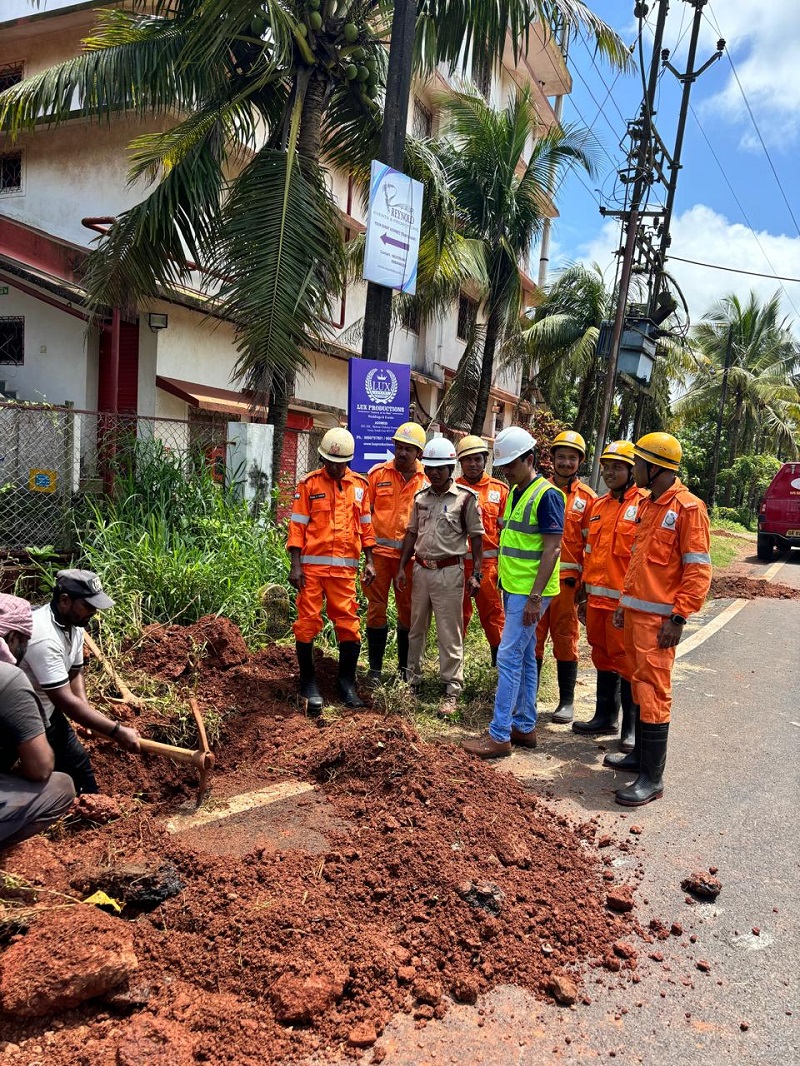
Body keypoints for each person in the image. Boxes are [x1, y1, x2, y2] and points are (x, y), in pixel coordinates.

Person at [611, 432, 712, 806]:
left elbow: (698, 570)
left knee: (653, 693)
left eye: (638, 463)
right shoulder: (650, 505)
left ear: (656, 468)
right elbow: (637, 562)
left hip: (659, 624)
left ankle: (652, 779)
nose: (633, 468)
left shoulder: (688, 509)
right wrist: (623, 603)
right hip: (637, 617)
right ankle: (639, 757)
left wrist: (679, 616)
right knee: (639, 685)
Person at [462, 427, 564, 758]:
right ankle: (524, 726)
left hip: (530, 592)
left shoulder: (546, 495)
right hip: (514, 586)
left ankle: (499, 735)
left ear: (530, 460)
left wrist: (535, 597)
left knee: (508, 656)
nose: (506, 471)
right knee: (523, 656)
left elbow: (552, 549)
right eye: (503, 466)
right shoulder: (518, 491)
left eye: (512, 465)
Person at [21, 571, 140, 795]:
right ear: (65, 600)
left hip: (45, 710)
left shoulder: (75, 624)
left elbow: (76, 672)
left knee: (79, 768)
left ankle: (92, 814)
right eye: (88, 605)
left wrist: (87, 711)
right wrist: (117, 731)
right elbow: (65, 700)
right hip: (20, 721)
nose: (94, 612)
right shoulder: (44, 636)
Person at [287, 427, 376, 715]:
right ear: (322, 458)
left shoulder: (359, 486)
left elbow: (366, 526)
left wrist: (371, 560)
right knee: (307, 622)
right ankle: (308, 682)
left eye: (341, 463)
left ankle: (346, 683)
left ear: (349, 461)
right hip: (312, 571)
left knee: (348, 624)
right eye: (330, 462)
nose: (336, 468)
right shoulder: (309, 484)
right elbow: (298, 526)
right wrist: (295, 565)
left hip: (344, 574)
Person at [396, 438, 484, 719]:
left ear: (450, 467)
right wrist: (401, 567)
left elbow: (476, 537)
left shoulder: (465, 499)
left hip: (450, 572)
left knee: (449, 632)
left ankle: (452, 689)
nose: (434, 473)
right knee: (416, 629)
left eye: (440, 468)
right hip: (421, 570)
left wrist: (477, 573)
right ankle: (412, 682)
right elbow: (411, 533)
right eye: (430, 468)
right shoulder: (420, 498)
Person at [576, 441, 646, 756]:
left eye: (617, 466)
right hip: (596, 600)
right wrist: (582, 590)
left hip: (623, 604)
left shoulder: (645, 504)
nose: (610, 472)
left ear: (632, 470)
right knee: (602, 656)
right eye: (607, 466)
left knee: (627, 663)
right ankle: (605, 717)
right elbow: (588, 552)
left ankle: (630, 729)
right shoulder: (598, 505)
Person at [1, 593, 76, 847]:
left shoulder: (73, 632)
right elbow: (40, 767)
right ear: (13, 637)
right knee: (60, 786)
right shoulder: (9, 678)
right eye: (24, 640)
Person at [534, 430, 597, 725]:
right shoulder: (538, 491)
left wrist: (585, 588)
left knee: (565, 639)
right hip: (534, 579)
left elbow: (591, 547)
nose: (566, 462)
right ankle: (528, 700)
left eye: (572, 458)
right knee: (532, 639)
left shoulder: (589, 500)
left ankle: (566, 702)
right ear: (552, 459)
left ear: (579, 462)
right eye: (561, 457)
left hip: (567, 584)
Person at [364, 422, 428, 684]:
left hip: (411, 561)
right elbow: (364, 516)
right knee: (376, 610)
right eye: (399, 447)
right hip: (378, 558)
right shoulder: (377, 474)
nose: (402, 453)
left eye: (408, 449)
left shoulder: (426, 480)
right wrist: (367, 556)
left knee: (409, 613)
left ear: (418, 453)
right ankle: (375, 670)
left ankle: (405, 671)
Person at [455, 435, 508, 666]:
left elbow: (506, 533)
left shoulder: (501, 491)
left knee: (494, 617)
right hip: (457, 566)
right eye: (467, 460)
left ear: (485, 460)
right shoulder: (452, 488)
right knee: (457, 619)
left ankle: (497, 669)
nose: (473, 464)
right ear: (460, 462)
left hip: (488, 568)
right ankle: (454, 671)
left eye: (477, 459)